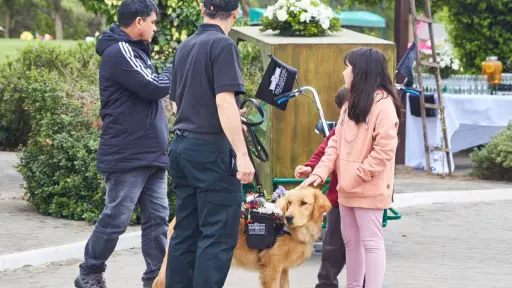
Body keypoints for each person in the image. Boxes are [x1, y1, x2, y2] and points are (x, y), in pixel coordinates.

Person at [74, 1, 172, 287]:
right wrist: (176, 66)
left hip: (152, 153)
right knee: (116, 218)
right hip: (127, 154)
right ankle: (89, 272)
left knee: (157, 219)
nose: (155, 27)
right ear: (139, 22)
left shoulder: (137, 51)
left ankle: (156, 278)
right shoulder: (120, 52)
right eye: (153, 22)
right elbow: (153, 86)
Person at [165, 0, 255, 287]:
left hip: (181, 147)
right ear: (236, 14)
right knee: (216, 236)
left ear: (203, 9)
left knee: (185, 233)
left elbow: (177, 102)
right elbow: (223, 100)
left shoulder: (186, 45)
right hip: (210, 152)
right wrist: (242, 154)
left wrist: (224, 120)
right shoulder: (223, 45)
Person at [300, 47, 401, 288]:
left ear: (361, 72)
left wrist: (357, 176)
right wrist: (318, 174)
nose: (344, 72)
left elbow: (385, 149)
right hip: (346, 191)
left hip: (368, 189)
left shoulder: (384, 105)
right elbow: (334, 144)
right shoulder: (350, 103)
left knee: (371, 243)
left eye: (348, 67)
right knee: (351, 243)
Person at [295, 87, 350, 287]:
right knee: (331, 248)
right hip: (338, 198)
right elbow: (324, 151)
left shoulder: (372, 127)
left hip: (362, 200)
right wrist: (310, 167)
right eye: (342, 110)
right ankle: (326, 284)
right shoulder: (339, 130)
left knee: (362, 249)